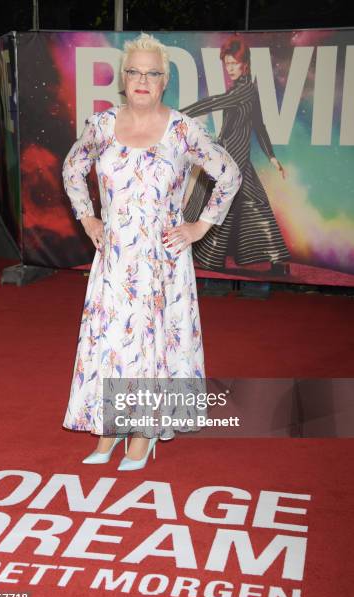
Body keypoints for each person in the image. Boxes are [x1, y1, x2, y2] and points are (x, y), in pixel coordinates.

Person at [62, 33, 241, 470]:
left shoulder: (182, 129)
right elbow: (72, 167)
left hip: (162, 260)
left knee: (149, 341)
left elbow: (229, 173)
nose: (143, 79)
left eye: (153, 73)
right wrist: (88, 216)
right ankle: (108, 429)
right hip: (115, 255)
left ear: (164, 82)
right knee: (110, 343)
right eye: (135, 72)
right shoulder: (101, 126)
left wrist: (201, 225)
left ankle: (143, 433)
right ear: (124, 79)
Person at [181, 35, 290, 277]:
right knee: (215, 201)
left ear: (245, 64)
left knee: (223, 204)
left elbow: (212, 102)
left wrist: (175, 116)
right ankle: (274, 262)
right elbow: (259, 126)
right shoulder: (245, 91)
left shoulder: (244, 92)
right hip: (228, 157)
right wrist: (272, 157)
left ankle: (216, 260)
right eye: (227, 64)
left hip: (233, 161)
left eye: (233, 63)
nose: (229, 68)